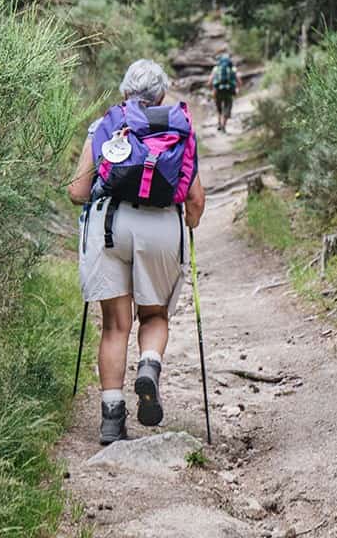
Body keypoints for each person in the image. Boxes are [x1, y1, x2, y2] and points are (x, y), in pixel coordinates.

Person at [68, 59, 206, 444]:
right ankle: (149, 366)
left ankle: (112, 418)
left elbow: (78, 192)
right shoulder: (177, 129)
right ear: (161, 94)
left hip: (111, 226)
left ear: (125, 91)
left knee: (114, 325)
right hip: (161, 227)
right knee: (154, 314)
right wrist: (188, 223)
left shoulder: (105, 126)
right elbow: (195, 200)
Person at [210, 51, 238, 133]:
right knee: (227, 108)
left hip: (218, 91)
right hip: (229, 91)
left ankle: (219, 124)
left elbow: (210, 81)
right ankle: (223, 126)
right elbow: (239, 81)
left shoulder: (216, 68)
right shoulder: (232, 69)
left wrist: (212, 89)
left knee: (219, 109)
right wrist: (237, 88)